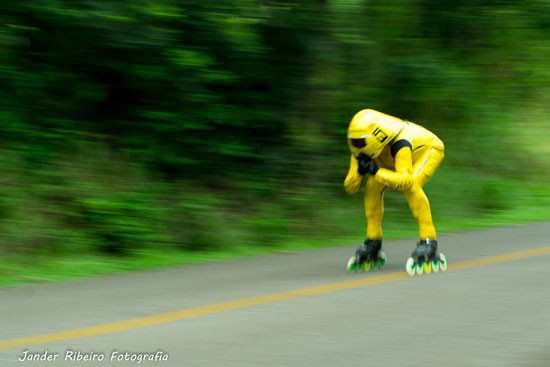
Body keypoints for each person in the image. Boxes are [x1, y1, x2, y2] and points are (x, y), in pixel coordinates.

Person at [344, 109, 447, 275]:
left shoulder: (401, 144)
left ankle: (428, 241)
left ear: (377, 138)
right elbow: (350, 187)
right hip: (392, 159)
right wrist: (357, 176)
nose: (355, 146)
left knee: (412, 187)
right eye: (352, 141)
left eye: (359, 142)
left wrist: (376, 171)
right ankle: (373, 241)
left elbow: (404, 180)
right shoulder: (362, 150)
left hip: (429, 150)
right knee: (372, 186)